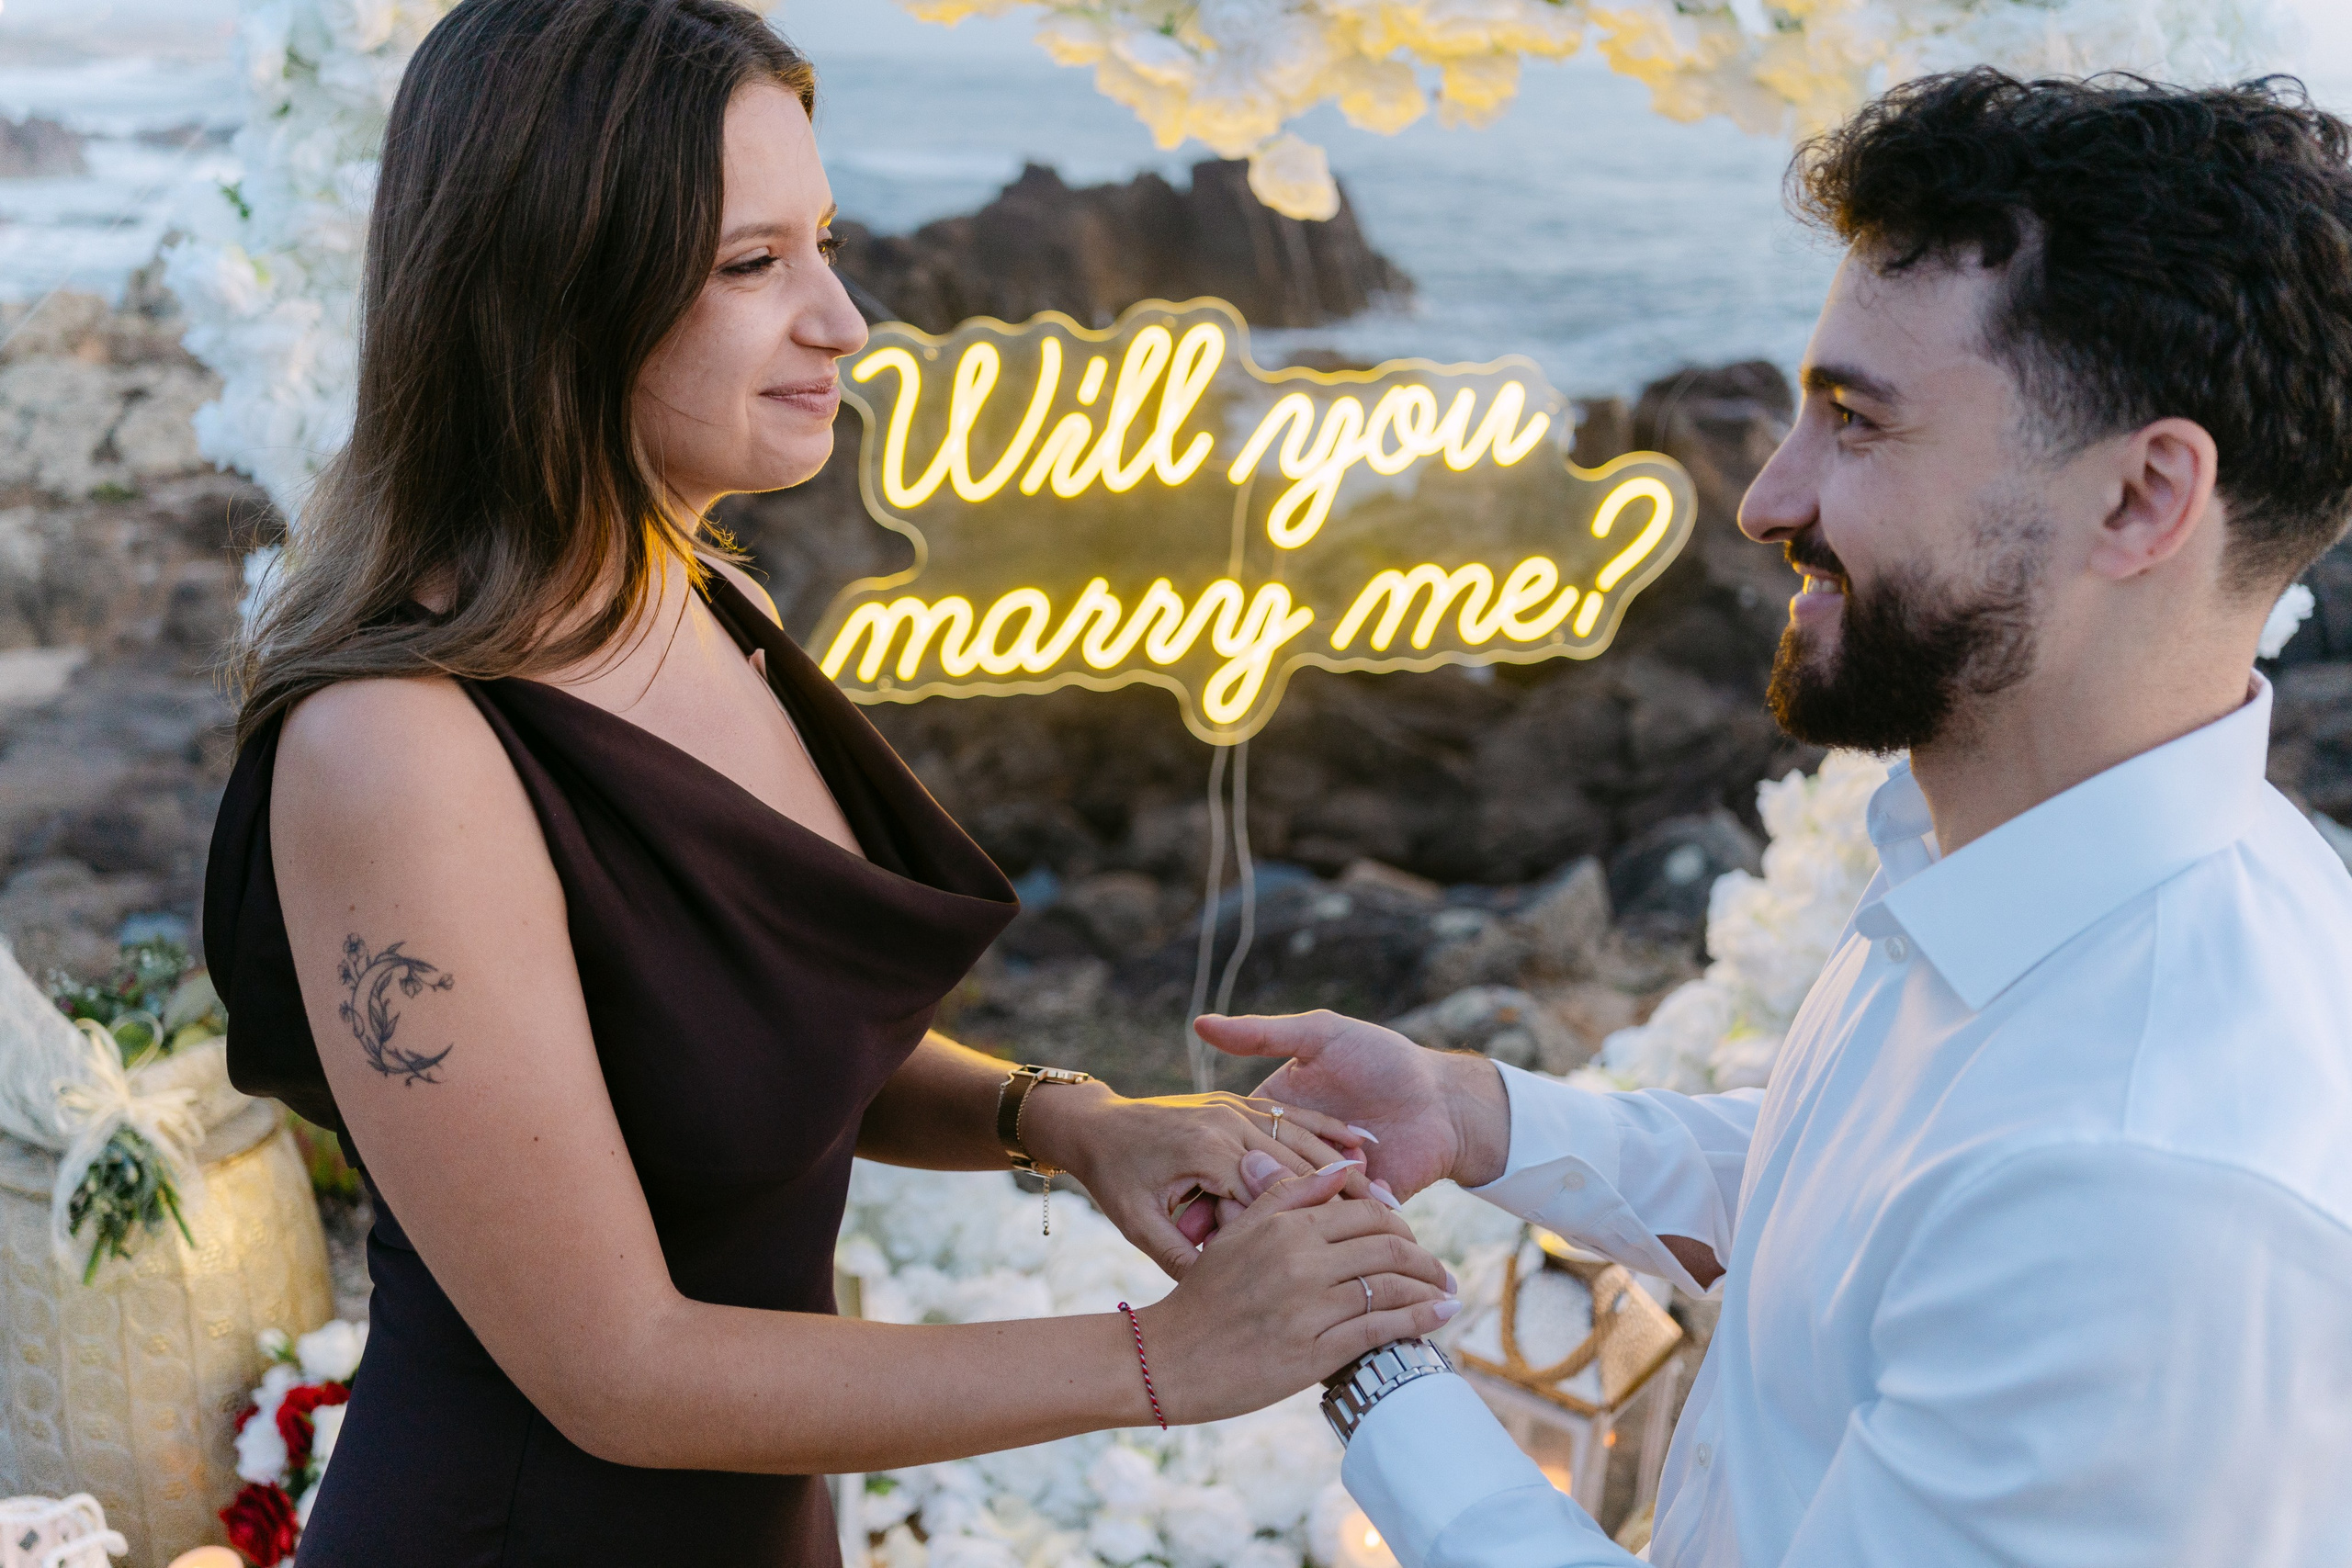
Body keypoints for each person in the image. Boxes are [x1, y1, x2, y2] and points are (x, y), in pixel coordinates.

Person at [200, 3, 1457, 1563]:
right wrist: (1161, 1361)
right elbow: (619, 1371)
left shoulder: (718, 607)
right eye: (753, 265)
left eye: (826, 240)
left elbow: (752, 1042)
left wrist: (1069, 1124)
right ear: (547, 293)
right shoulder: (399, 748)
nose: (845, 318)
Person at [1201, 69, 2352, 1567]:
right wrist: (1482, 1118)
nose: (1763, 498)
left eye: (1855, 426)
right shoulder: (2051, 885)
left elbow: (2015, 1215)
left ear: (2140, 500)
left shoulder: (2148, 1182)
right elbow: (1878, 1210)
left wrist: (1371, 1362)